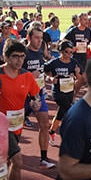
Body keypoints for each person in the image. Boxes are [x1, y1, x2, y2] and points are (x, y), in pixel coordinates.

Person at [0, 41, 43, 180]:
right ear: (6, 57)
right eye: (15, 56)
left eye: (22, 56)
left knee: (6, 162)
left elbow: (36, 95)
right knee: (18, 160)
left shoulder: (27, 76)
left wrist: (36, 103)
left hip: (17, 125)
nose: (19, 60)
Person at [22, 28, 56, 169]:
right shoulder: (23, 53)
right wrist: (29, 75)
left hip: (38, 93)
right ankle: (10, 154)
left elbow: (41, 70)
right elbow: (15, 72)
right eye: (36, 37)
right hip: (23, 96)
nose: (39, 40)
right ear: (29, 38)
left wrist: (48, 77)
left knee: (45, 125)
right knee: (14, 127)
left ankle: (43, 159)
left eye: (41, 38)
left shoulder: (42, 50)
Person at [44, 41, 83, 147]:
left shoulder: (73, 63)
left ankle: (51, 132)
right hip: (58, 93)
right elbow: (45, 72)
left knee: (60, 114)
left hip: (69, 92)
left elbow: (80, 79)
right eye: (67, 52)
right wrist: (51, 78)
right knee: (70, 112)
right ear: (61, 51)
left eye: (71, 52)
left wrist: (77, 73)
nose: (69, 55)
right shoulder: (54, 63)